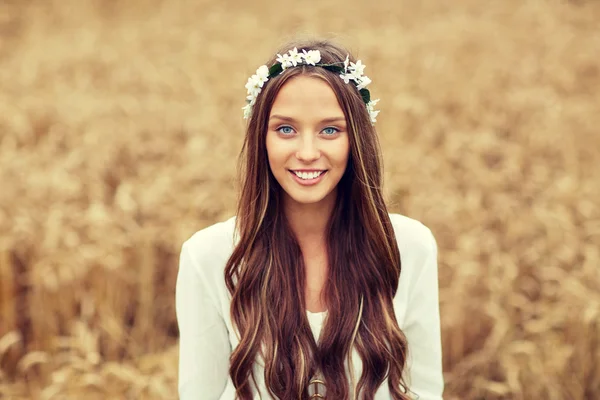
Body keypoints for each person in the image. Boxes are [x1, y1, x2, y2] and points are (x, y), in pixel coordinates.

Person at [175, 39, 444, 400]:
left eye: (330, 130)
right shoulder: (207, 256)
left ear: (356, 141)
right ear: (261, 138)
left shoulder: (409, 246)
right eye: (286, 129)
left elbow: (423, 391)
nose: (306, 153)